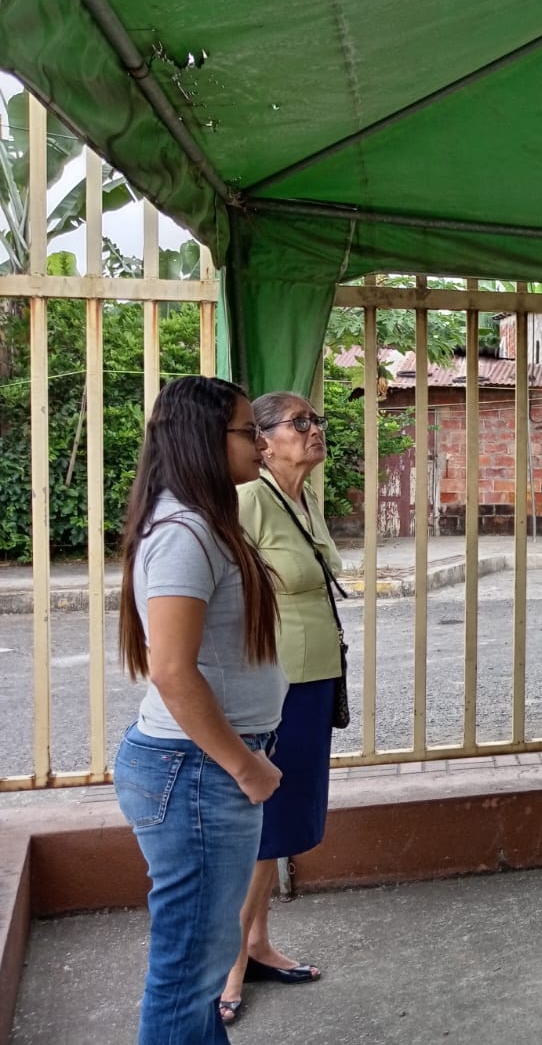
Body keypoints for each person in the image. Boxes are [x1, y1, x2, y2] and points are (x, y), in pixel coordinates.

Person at [113, 376, 285, 1045]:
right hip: (196, 775)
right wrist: (245, 767)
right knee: (189, 975)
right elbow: (171, 670)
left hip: (198, 771)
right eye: (249, 431)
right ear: (203, 439)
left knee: (201, 971)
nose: (262, 444)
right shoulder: (184, 532)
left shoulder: (201, 522)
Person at [218, 392, 338, 1023]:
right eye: (300, 422)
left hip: (313, 679)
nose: (315, 430)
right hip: (275, 685)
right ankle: (230, 963)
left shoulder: (303, 497)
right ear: (262, 441)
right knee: (263, 825)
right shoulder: (247, 499)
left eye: (316, 420)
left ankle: (257, 943)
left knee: (284, 823)